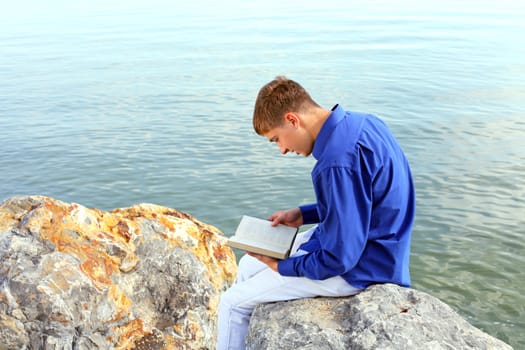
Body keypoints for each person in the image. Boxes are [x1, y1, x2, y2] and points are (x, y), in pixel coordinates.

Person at [217, 76, 415, 349]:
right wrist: (304, 214)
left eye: (277, 139)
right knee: (248, 265)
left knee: (231, 304)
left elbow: (339, 258)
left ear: (292, 119)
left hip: (365, 266)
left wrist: (284, 267)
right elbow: (365, 197)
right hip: (380, 243)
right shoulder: (365, 123)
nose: (283, 150)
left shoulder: (335, 162)